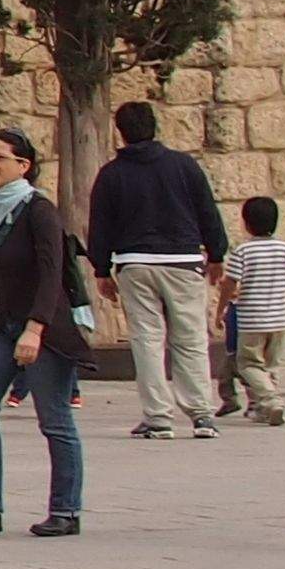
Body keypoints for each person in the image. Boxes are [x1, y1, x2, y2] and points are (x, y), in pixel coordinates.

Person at [0, 127, 90, 538]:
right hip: (1, 325)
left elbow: (51, 273)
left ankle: (66, 510)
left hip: (42, 326)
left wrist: (35, 329)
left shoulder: (39, 210)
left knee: (55, 420)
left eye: (0, 157)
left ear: (22, 165)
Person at [86, 100, 228, 440]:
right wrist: (216, 254)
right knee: (190, 337)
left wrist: (102, 269)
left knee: (147, 340)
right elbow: (207, 210)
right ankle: (202, 413)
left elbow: (100, 225)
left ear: (121, 132)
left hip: (135, 262)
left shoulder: (111, 174)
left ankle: (158, 417)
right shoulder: (183, 166)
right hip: (182, 259)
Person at [221, 196, 285, 426]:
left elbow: (230, 282)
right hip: (279, 321)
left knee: (248, 365)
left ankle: (270, 400)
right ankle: (263, 409)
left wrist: (222, 307)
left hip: (252, 321)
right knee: (270, 366)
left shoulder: (243, 251)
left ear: (246, 224)